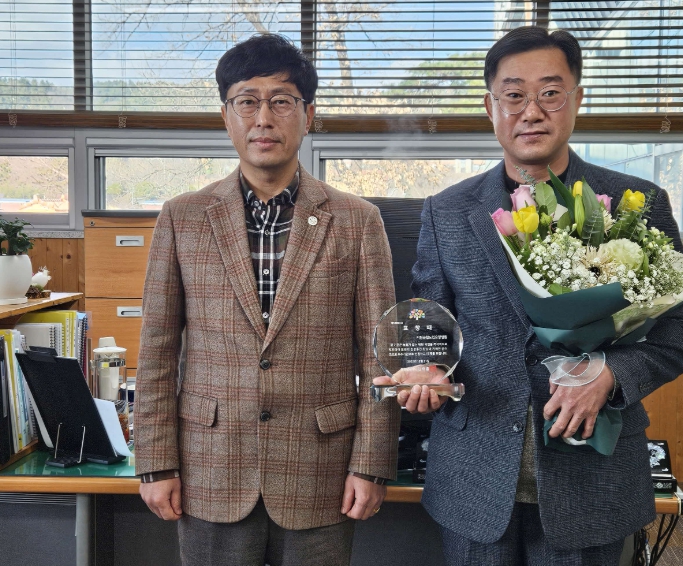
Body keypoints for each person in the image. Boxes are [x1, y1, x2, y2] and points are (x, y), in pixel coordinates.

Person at [376, 26, 683, 565]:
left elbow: (676, 331)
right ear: (490, 107)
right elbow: (430, 323)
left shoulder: (638, 203)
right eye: (514, 95)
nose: (532, 112)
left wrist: (611, 375)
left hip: (593, 478)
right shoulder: (446, 211)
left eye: (550, 93)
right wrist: (427, 371)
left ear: (577, 99)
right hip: (473, 476)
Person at [135, 33, 400, 566]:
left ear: (308, 115)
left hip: (321, 472)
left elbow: (381, 354)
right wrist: (156, 462)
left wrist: (371, 464)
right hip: (210, 468)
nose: (263, 119)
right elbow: (158, 349)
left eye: (281, 101)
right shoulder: (182, 217)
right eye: (247, 101)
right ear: (226, 115)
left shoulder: (357, 220)